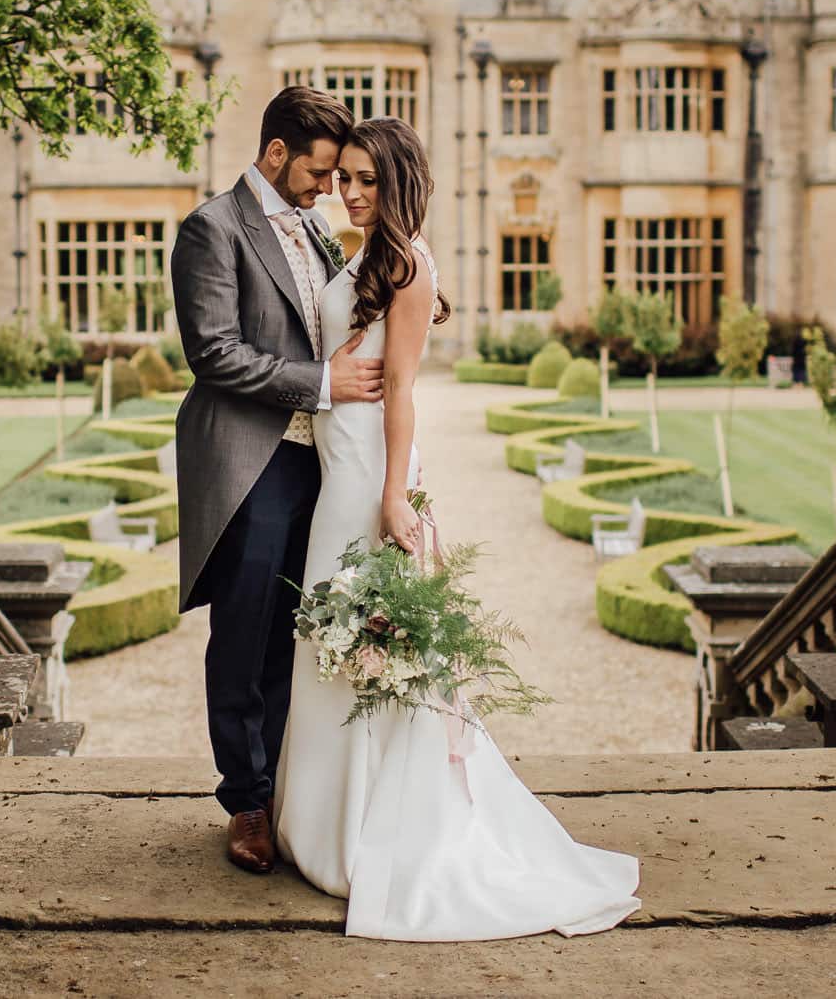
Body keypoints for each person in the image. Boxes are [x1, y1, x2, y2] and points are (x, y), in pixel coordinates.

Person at [272, 116, 641, 941]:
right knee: (331, 640)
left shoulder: (403, 262)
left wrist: (395, 496)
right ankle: (324, 821)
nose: (352, 191)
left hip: (368, 473)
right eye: (348, 178)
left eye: (368, 179)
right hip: (339, 465)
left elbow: (400, 389)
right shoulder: (362, 252)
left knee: (362, 641)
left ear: (399, 181)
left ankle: (366, 829)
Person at [169, 86, 384, 876]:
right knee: (242, 634)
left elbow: (345, 304)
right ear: (274, 153)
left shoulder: (317, 230)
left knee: (296, 634)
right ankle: (245, 802)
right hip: (248, 460)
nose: (328, 188)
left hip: (317, 466)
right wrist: (323, 384)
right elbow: (214, 353)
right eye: (318, 171)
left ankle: (286, 783)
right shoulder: (212, 228)